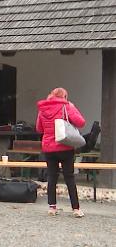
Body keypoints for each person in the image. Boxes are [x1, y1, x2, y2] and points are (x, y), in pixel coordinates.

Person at [35, 88, 86, 217]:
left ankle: (52, 207)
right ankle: (76, 209)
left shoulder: (43, 108)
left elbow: (39, 128)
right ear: (65, 96)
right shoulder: (67, 106)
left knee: (52, 176)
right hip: (65, 147)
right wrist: (72, 107)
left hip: (49, 148)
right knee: (69, 177)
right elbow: (81, 123)